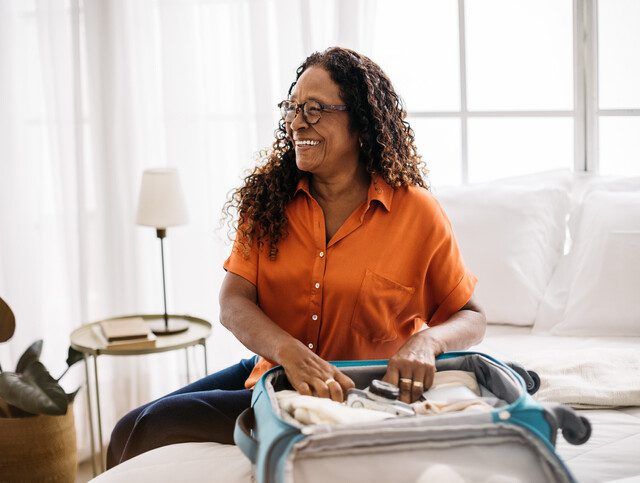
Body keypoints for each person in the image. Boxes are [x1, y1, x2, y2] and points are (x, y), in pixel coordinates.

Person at [107, 46, 486, 468]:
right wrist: (289, 353)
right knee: (128, 426)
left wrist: (426, 342)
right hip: (270, 373)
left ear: (361, 123)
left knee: (148, 426)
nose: (297, 121)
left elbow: (471, 315)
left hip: (346, 398)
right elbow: (234, 303)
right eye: (293, 107)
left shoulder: (417, 213)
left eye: (316, 108)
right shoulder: (268, 201)